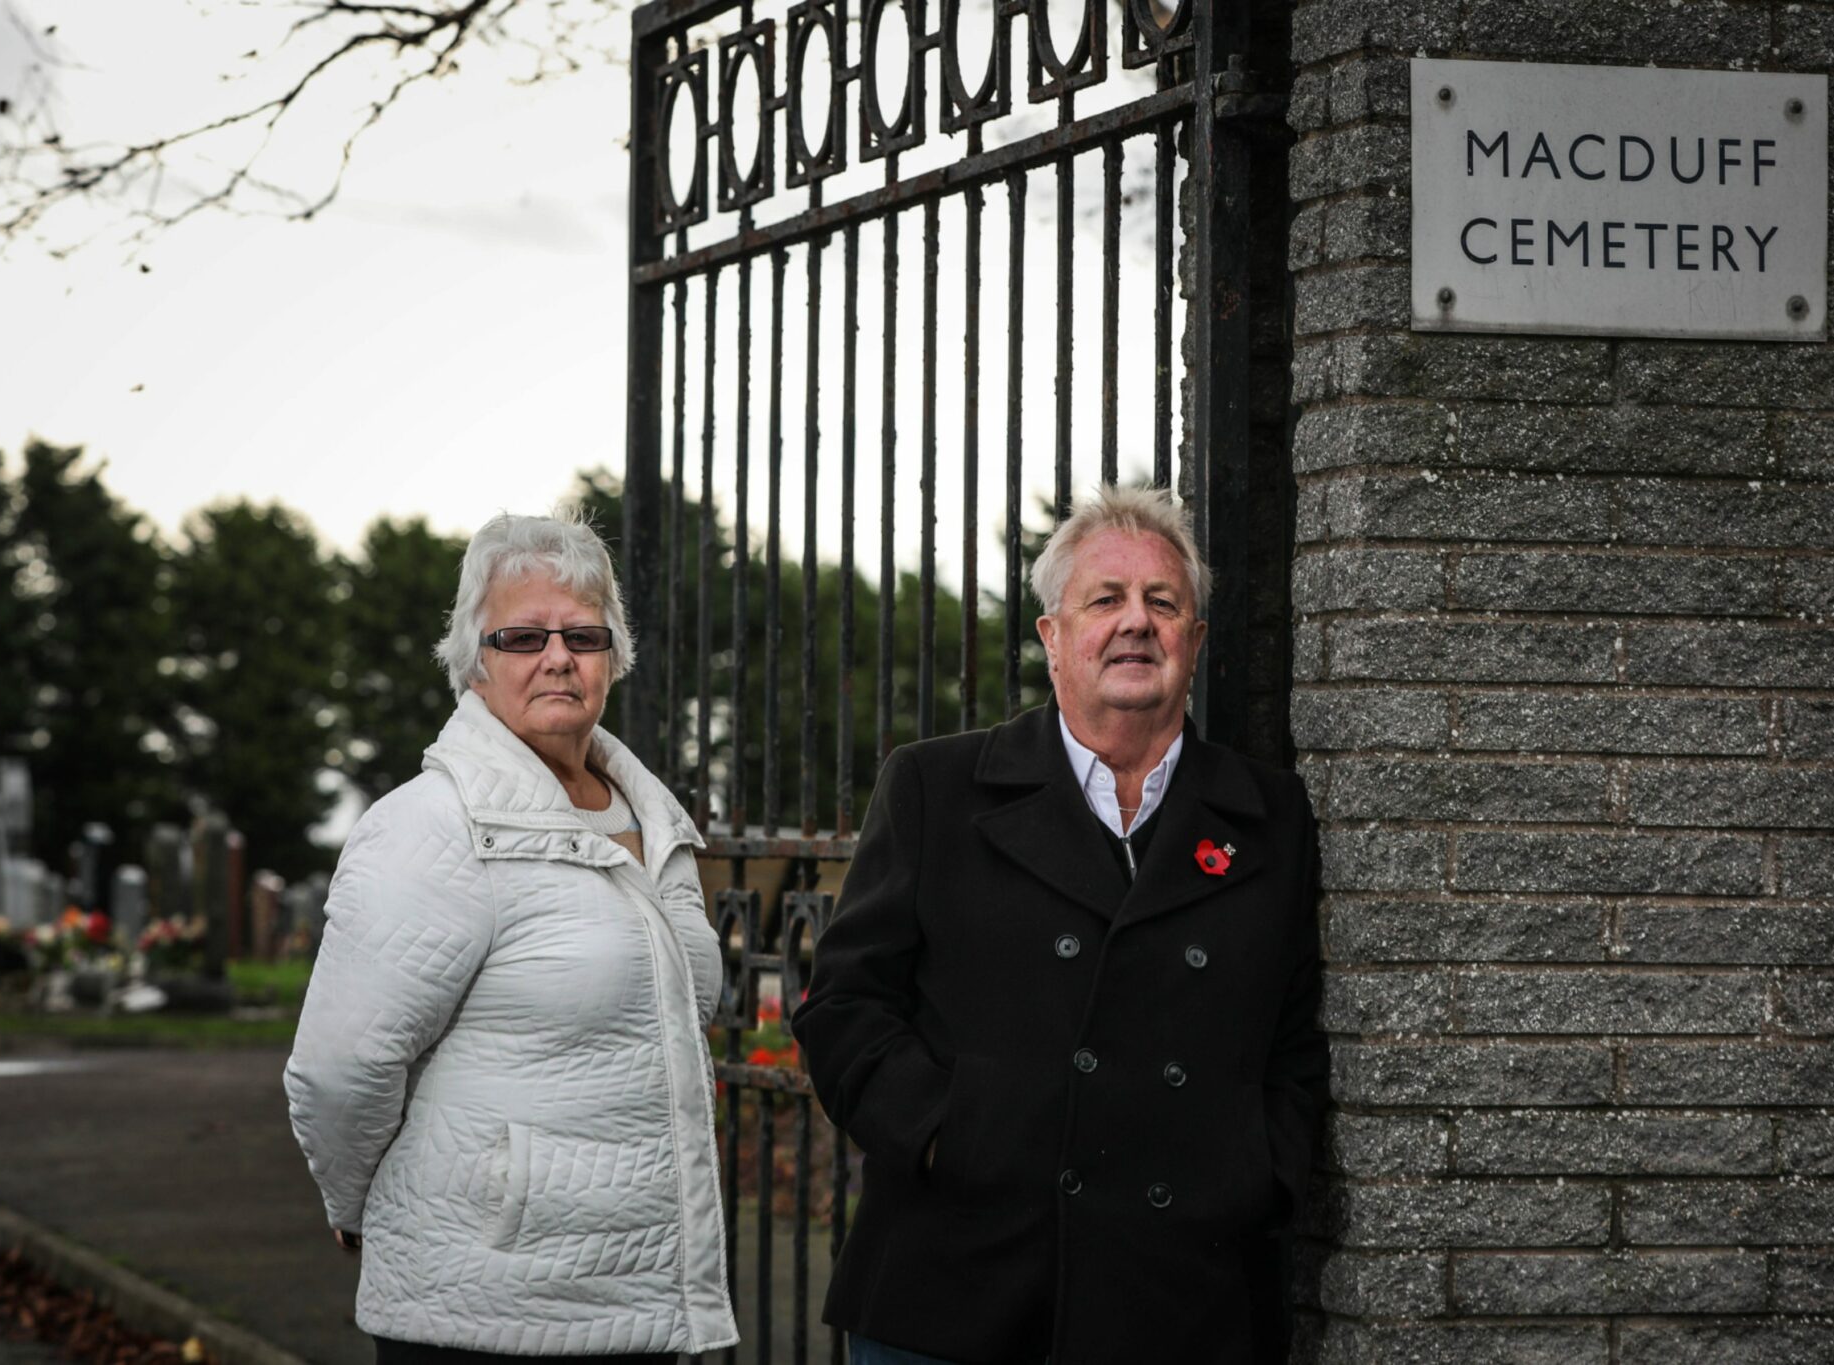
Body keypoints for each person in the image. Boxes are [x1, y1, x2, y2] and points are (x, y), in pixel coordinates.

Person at [790, 484, 1327, 1365]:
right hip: (958, 1288)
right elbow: (844, 1006)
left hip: (1184, 1296)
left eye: (1163, 602)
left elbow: (1296, 1039)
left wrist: (1258, 1172)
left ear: (1194, 641)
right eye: (1105, 599)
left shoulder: (1269, 814)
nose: (1136, 623)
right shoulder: (937, 789)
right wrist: (945, 1133)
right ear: (1052, 637)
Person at [285, 511, 737, 1365]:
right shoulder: (432, 826)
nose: (558, 656)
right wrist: (356, 1205)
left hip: (635, 1306)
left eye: (583, 634)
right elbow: (342, 1067)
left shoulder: (653, 817)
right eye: (524, 635)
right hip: (487, 1315)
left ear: (614, 655)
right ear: (475, 658)